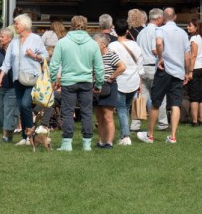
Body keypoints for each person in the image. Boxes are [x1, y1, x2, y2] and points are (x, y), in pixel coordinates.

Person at [49, 15, 104, 151]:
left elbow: (54, 64)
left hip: (68, 82)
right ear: (85, 25)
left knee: (67, 112)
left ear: (71, 25)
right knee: (87, 112)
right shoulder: (92, 44)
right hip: (86, 82)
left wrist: (52, 80)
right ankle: (87, 144)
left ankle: (67, 143)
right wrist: (98, 84)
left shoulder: (62, 42)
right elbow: (99, 67)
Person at [140, 8, 190, 144]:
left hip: (164, 69)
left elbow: (158, 43)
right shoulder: (183, 33)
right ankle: (173, 136)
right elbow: (187, 55)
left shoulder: (160, 30)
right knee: (175, 103)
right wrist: (188, 72)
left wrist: (161, 57)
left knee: (156, 102)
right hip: (179, 71)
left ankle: (150, 134)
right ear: (175, 17)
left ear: (163, 17)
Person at [0, 13, 47, 146]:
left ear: (24, 25)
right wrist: (0, 77)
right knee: (21, 107)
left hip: (32, 78)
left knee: (25, 104)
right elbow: (7, 62)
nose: (14, 25)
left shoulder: (36, 38)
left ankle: (30, 136)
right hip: (17, 79)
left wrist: (34, 56)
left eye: (16, 23)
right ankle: (26, 137)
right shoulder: (14, 41)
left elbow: (45, 56)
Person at [110, 19, 143, 146]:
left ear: (115, 32)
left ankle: (125, 135)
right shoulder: (135, 45)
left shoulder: (112, 46)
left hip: (119, 80)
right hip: (134, 80)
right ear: (127, 31)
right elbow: (140, 65)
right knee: (126, 108)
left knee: (122, 109)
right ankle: (124, 134)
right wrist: (140, 83)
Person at [135, 9, 168, 134]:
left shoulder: (141, 32)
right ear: (159, 18)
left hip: (142, 67)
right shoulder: (157, 31)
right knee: (161, 96)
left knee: (141, 97)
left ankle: (135, 123)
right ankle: (163, 123)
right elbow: (155, 49)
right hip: (153, 67)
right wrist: (163, 56)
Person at [93, 33, 124, 148]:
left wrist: (111, 77)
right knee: (99, 117)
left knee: (108, 117)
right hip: (96, 87)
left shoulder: (111, 54)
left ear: (103, 44)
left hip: (108, 87)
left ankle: (109, 142)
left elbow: (122, 66)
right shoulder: (95, 56)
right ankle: (101, 141)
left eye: (95, 42)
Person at [0, 27, 18, 142]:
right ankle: (8, 130)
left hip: (11, 87)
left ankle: (6, 136)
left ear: (10, 39)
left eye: (2, 36)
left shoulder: (15, 53)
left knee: (9, 111)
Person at [185, 19, 202, 126]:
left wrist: (190, 71)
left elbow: (193, 55)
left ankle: (194, 120)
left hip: (195, 68)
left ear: (196, 27)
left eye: (190, 25)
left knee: (194, 95)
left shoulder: (194, 39)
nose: (188, 27)